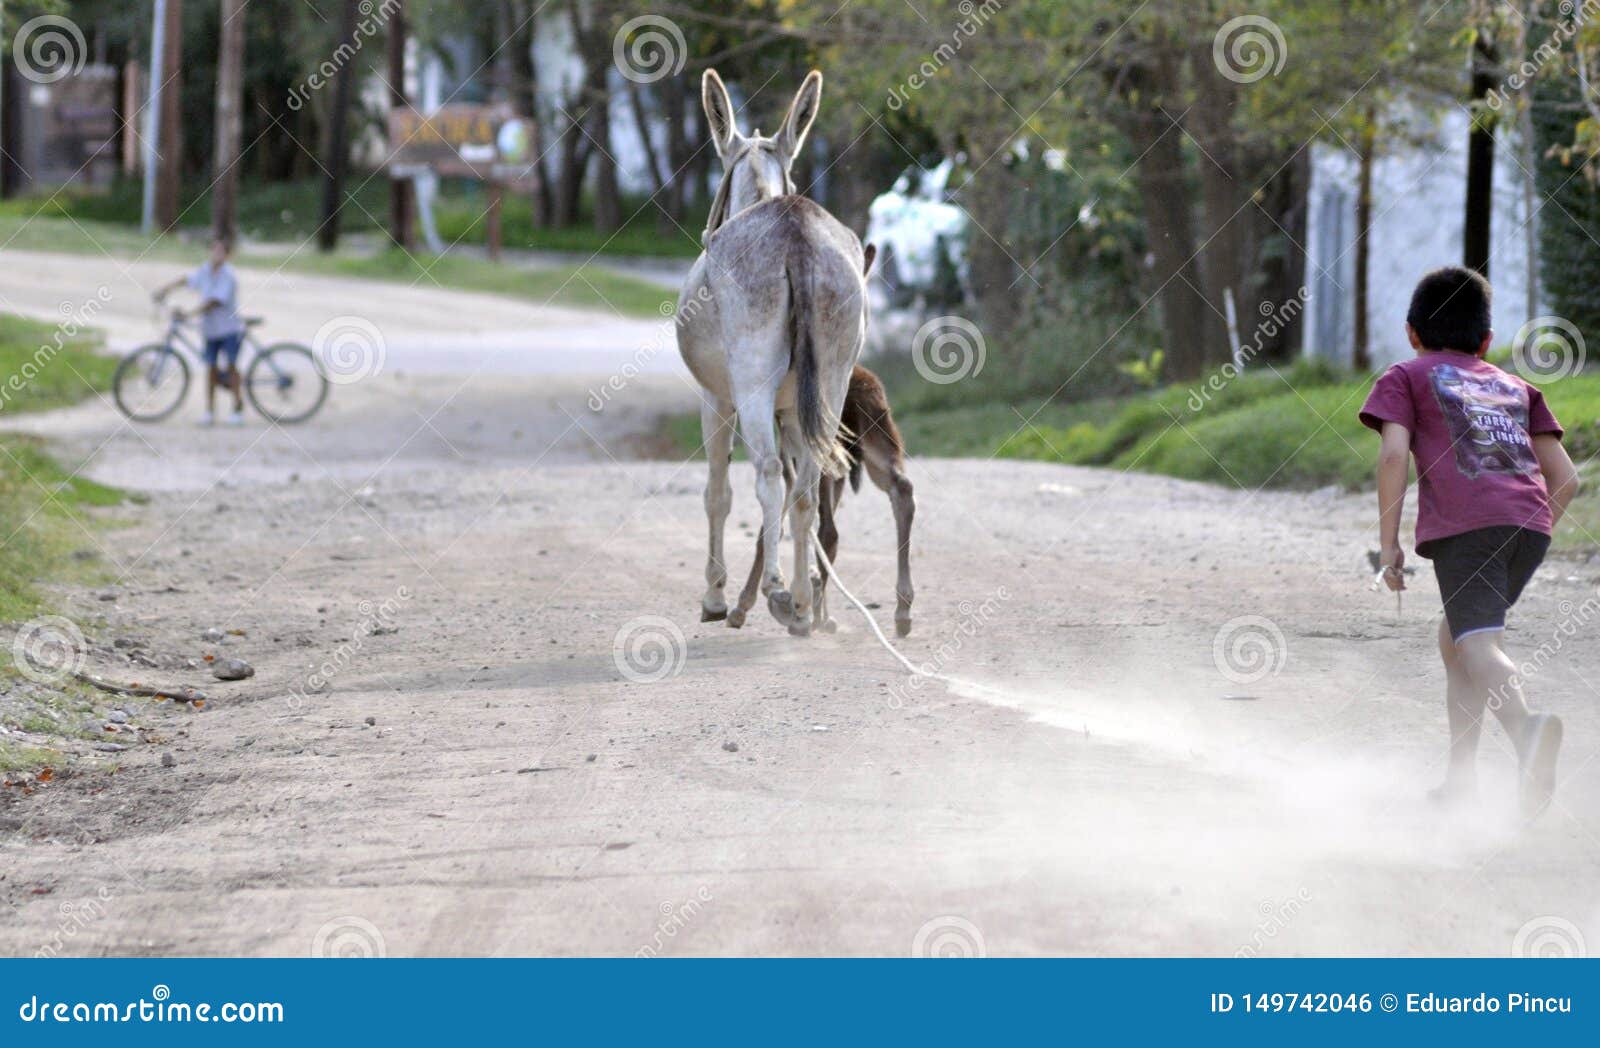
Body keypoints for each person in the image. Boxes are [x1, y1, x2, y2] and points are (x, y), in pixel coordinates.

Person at [1359, 266, 1580, 820]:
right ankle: (1461, 781)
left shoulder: (1405, 377)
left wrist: (1388, 547)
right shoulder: (1518, 387)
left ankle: (1526, 731)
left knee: (1477, 645)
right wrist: (1531, 524)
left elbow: (1392, 457)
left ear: (1411, 332)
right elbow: (1568, 479)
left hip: (1469, 530)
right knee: (1457, 638)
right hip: (1529, 527)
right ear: (1486, 341)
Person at [155, 237, 247, 426]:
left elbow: (214, 302)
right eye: (214, 250)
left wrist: (189, 313)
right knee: (211, 369)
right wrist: (165, 289)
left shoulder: (228, 275)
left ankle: (237, 407)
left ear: (227, 255)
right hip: (211, 330)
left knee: (231, 366)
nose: (217, 254)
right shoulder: (204, 270)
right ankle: (210, 411)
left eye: (221, 251)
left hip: (229, 328)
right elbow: (186, 280)